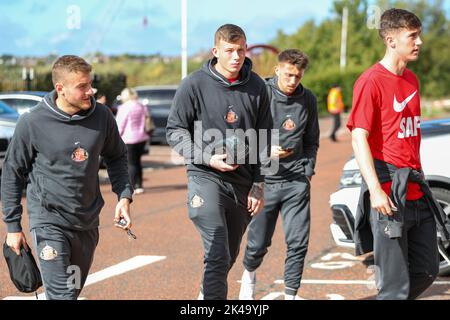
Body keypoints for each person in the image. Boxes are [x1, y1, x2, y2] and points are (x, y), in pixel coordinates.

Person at [1, 55, 134, 300]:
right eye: (82, 86)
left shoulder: (102, 116)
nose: (90, 91)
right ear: (60, 89)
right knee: (62, 295)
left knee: (70, 293)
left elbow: (117, 157)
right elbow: (12, 173)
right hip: (48, 221)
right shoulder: (32, 122)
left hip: (86, 222)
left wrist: (123, 197)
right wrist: (13, 227)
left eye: (90, 84)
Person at [347, 8, 448, 300]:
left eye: (419, 35)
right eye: (412, 36)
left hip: (417, 190)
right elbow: (358, 138)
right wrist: (376, 191)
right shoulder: (371, 81)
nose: (419, 42)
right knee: (394, 287)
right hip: (389, 196)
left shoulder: (412, 80)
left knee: (427, 271)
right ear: (391, 40)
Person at [166, 24, 272, 300]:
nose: (236, 56)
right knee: (217, 251)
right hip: (205, 178)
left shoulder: (258, 86)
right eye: (229, 50)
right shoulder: (194, 84)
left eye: (241, 50)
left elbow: (264, 138)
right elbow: (175, 130)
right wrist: (206, 158)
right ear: (216, 51)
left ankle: (207, 291)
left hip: (243, 184)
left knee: (228, 257)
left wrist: (259, 183)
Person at [239, 49, 320, 300]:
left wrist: (307, 170)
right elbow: (242, 134)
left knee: (298, 242)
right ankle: (249, 275)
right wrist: (265, 150)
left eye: (297, 76)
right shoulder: (259, 92)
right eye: (288, 75)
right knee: (258, 243)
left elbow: (312, 140)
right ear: (277, 70)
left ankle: (291, 294)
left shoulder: (308, 99)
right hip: (265, 180)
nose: (293, 80)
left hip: (296, 180)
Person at [116, 88, 150, 195]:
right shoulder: (141, 105)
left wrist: (116, 137)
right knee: (137, 162)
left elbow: (120, 124)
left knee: (130, 163)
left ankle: (131, 186)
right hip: (142, 137)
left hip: (129, 138)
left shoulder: (124, 107)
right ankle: (139, 185)